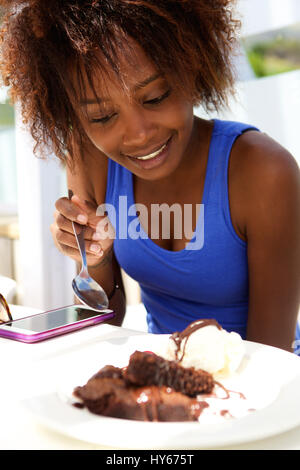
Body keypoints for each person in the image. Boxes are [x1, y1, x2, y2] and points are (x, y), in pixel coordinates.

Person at [1, 0, 299, 353]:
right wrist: (93, 260)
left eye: (156, 97)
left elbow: (272, 361)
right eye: (101, 117)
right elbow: (106, 319)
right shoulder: (91, 159)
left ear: (192, 63)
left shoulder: (264, 172)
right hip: (160, 380)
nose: (139, 134)